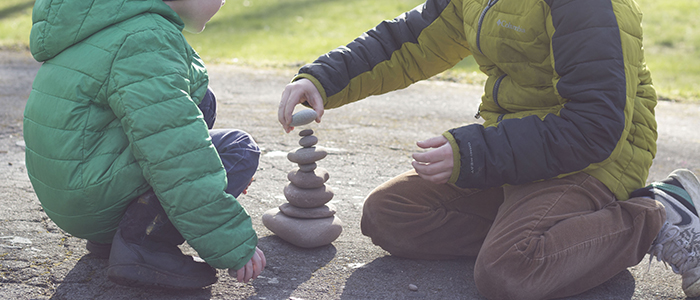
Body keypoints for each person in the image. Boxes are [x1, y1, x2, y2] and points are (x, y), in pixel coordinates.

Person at [278, 0, 700, 299]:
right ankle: (562, 235)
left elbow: (595, 126)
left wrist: (474, 153)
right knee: (390, 217)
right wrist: (323, 80)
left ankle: (658, 215)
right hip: (519, 149)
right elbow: (409, 41)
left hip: (595, 159)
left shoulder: (586, 5)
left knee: (510, 271)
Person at [25, 0, 265, 289]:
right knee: (238, 149)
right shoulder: (146, 39)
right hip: (92, 199)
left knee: (201, 99)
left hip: (72, 198)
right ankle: (143, 243)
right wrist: (231, 241)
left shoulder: (102, 21)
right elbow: (177, 154)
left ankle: (114, 238)